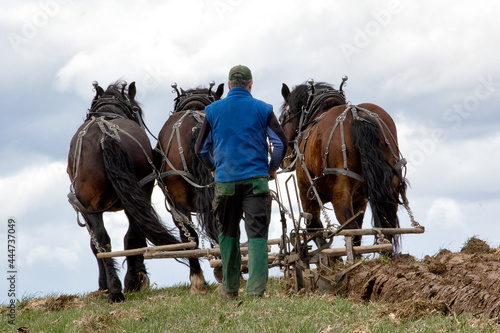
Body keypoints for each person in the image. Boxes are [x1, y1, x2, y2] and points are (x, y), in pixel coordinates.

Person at [195, 65, 288, 299]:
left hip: (225, 183)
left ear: (228, 86)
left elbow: (200, 149)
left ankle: (229, 288)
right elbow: (280, 143)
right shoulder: (263, 109)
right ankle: (256, 292)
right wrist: (271, 168)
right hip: (256, 181)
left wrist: (214, 168)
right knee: (257, 235)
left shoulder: (213, 110)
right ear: (250, 84)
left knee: (227, 234)